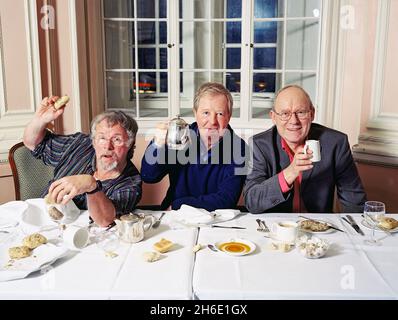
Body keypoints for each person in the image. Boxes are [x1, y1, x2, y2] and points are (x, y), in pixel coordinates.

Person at [244, 85, 366, 213]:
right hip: (277, 229)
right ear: (273, 117)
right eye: (285, 114)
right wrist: (290, 172)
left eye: (301, 112)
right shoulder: (260, 145)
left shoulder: (335, 143)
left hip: (319, 228)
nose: (293, 121)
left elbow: (354, 201)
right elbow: (252, 202)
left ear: (312, 114)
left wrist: (356, 230)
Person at [23, 96, 142, 226]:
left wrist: (91, 186)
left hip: (82, 238)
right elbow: (33, 144)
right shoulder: (79, 144)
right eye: (102, 138)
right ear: (93, 141)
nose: (108, 146)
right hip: (38, 221)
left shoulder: (131, 183)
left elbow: (105, 220)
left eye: (117, 140)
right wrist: (40, 120)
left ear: (129, 144)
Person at [141, 82, 248, 211]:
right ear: (195, 113)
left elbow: (227, 200)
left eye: (220, 113)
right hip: (176, 218)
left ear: (229, 116)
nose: (213, 121)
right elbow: (149, 177)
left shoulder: (239, 148)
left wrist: (179, 204)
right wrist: (157, 144)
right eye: (206, 113)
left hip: (215, 220)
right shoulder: (179, 137)